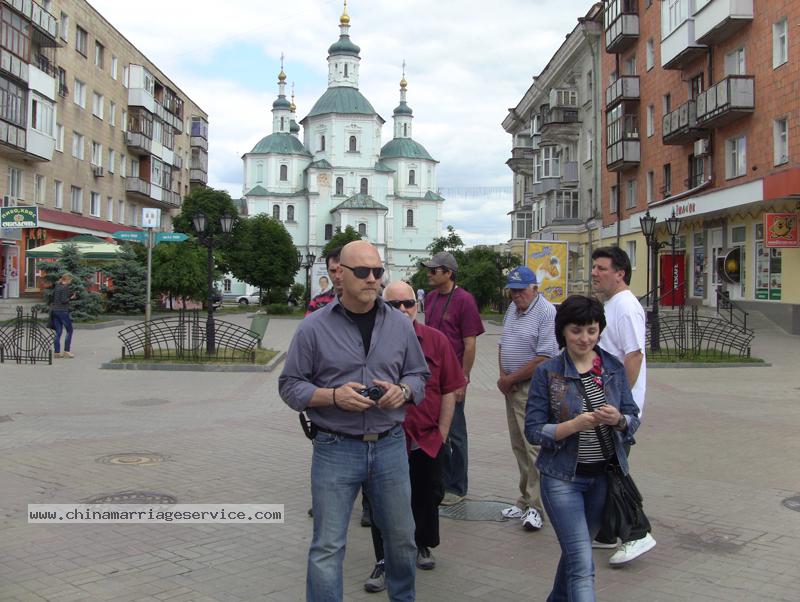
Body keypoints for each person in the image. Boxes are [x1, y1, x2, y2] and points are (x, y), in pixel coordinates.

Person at [279, 240, 430, 602]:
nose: (372, 279)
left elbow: (419, 376)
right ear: (340, 275)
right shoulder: (313, 327)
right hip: (335, 447)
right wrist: (332, 396)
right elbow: (290, 385)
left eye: (377, 271)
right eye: (362, 272)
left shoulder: (400, 325)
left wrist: (403, 391)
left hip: (390, 444)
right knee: (327, 546)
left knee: (402, 540)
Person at [526, 295, 640, 602]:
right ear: (563, 331)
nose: (585, 338)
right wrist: (573, 425)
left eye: (592, 330)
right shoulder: (548, 372)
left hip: (602, 479)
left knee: (575, 556)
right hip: (562, 479)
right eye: (576, 330)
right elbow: (533, 431)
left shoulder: (612, 368)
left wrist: (619, 420)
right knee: (582, 565)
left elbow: (632, 419)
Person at [363, 281, 465, 593]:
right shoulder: (371, 342)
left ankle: (422, 544)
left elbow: (450, 389)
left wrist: (443, 433)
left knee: (426, 495)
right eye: (394, 305)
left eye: (408, 304)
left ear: (417, 306)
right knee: (382, 503)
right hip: (384, 440)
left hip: (426, 438)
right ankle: (384, 560)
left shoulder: (436, 340)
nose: (402, 310)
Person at [590, 246, 657, 565]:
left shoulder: (627, 307)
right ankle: (606, 533)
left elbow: (633, 356)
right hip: (608, 404)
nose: (594, 273)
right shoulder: (612, 304)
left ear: (620, 273)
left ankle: (637, 533)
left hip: (618, 409)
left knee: (615, 472)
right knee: (605, 470)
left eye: (601, 268)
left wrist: (619, 404)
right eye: (594, 267)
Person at [305, 245, 371, 527]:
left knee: (370, 448)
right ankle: (325, 500)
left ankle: (369, 504)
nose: (336, 276)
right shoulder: (319, 304)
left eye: (340, 270)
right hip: (330, 401)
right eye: (332, 271)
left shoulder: (370, 304)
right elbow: (308, 350)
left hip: (365, 399)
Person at [497, 266, 558, 531]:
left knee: (533, 446)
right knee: (518, 445)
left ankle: (537, 506)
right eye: (512, 290)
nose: (516, 295)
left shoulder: (546, 312)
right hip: (511, 387)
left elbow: (545, 357)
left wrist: (510, 378)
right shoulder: (513, 309)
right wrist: (503, 376)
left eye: (521, 290)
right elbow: (502, 344)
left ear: (535, 288)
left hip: (532, 387)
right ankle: (524, 499)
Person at [422, 251, 484, 505]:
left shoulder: (464, 300)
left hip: (453, 379)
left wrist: (463, 379)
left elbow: (470, 344)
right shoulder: (430, 298)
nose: (429, 274)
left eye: (433, 270)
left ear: (448, 273)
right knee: (437, 430)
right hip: (431, 378)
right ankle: (440, 481)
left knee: (456, 433)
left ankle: (457, 487)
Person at [305, 246, 343, 315]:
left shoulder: (360, 300)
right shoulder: (317, 301)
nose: (337, 276)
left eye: (342, 271)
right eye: (333, 271)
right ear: (327, 271)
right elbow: (308, 321)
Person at [51, 273, 75, 359]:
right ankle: (66, 351)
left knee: (58, 332)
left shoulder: (57, 286)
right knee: (70, 330)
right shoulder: (65, 287)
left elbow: (55, 298)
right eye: (70, 280)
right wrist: (71, 298)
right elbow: (63, 300)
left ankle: (56, 352)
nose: (70, 282)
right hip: (62, 311)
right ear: (67, 280)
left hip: (55, 311)